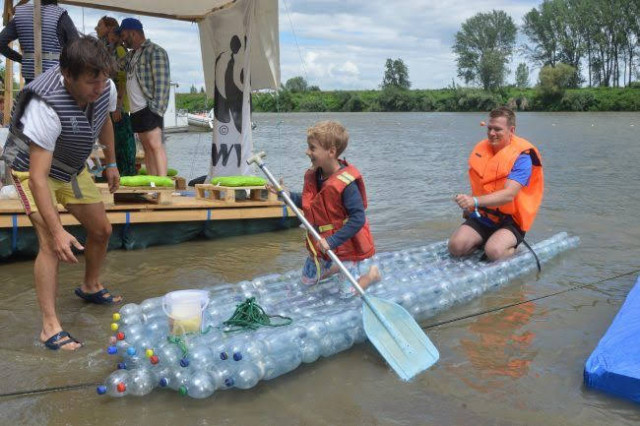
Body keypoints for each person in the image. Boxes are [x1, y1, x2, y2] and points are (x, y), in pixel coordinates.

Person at [1, 36, 122, 351]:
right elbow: (39, 179)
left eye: (103, 80)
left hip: (70, 165)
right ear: (68, 75)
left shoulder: (104, 86)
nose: (99, 88)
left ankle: (90, 285)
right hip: (31, 168)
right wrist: (57, 231)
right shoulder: (46, 104)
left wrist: (110, 162)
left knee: (102, 229)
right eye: (90, 82)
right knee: (50, 245)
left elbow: (105, 119)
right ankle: (49, 327)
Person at [269, 121, 381, 294]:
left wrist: (332, 241)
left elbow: (358, 219)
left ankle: (372, 275)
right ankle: (335, 268)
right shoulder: (316, 175)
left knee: (348, 293)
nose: (307, 152)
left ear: (331, 152)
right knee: (307, 282)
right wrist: (286, 195)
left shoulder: (347, 184)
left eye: (312, 148)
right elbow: (310, 204)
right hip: (320, 243)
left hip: (344, 245)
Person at [448, 107, 544, 261]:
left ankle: (513, 250)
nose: (492, 133)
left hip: (511, 222)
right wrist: (470, 206)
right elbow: (483, 185)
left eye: (498, 129)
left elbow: (509, 195)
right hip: (485, 215)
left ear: (511, 130)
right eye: (489, 128)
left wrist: (475, 201)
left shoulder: (523, 157)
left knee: (494, 252)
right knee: (456, 247)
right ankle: (485, 240)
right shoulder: (482, 149)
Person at [118, 18, 169, 176]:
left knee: (155, 145)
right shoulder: (131, 55)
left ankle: (164, 187)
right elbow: (113, 66)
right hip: (135, 109)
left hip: (149, 107)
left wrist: (157, 110)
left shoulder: (155, 51)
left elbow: (162, 83)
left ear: (133, 33)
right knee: (147, 148)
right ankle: (154, 186)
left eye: (124, 35)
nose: (123, 39)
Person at [0, 0, 79, 85]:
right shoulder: (61, 15)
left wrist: (21, 59)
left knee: (33, 97)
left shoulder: (22, 16)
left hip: (31, 78)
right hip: (54, 78)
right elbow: (78, 47)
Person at [97, 17, 137, 176]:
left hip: (118, 106)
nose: (96, 28)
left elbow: (123, 78)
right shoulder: (107, 49)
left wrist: (118, 106)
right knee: (112, 143)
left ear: (110, 29)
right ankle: (115, 175)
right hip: (108, 104)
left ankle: (127, 176)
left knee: (122, 144)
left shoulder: (119, 50)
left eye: (100, 26)